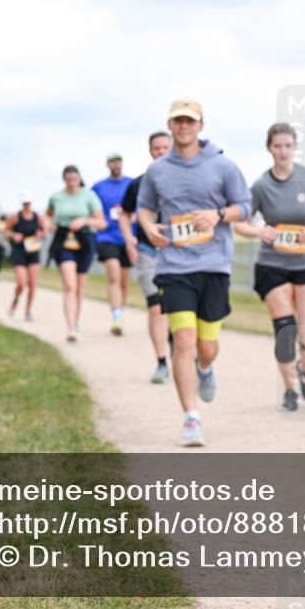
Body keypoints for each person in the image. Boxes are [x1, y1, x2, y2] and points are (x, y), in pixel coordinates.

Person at [137, 99, 251, 447]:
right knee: (183, 341)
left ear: (201, 125)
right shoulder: (157, 170)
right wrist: (150, 228)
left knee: (207, 346)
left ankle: (205, 368)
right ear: (170, 126)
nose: (183, 127)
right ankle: (191, 417)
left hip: (214, 264)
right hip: (174, 266)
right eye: (177, 121)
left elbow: (244, 207)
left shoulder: (223, 166)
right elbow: (144, 209)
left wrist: (217, 215)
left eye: (189, 121)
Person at [234, 123, 305, 412]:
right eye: (277, 146)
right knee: (285, 331)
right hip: (272, 264)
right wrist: (259, 231)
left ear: (295, 147)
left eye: (288, 146)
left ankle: (303, 369)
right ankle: (290, 388)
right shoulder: (261, 186)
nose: (283, 151)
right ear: (269, 148)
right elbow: (240, 222)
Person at [119, 131, 173, 384]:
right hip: (148, 250)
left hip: (179, 251)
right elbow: (123, 213)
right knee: (156, 307)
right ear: (150, 151)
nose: (161, 152)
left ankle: (181, 350)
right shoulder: (138, 184)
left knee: (180, 307)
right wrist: (129, 238)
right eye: (156, 148)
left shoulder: (186, 179)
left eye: (165, 147)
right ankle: (161, 361)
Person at [46, 165, 107, 342]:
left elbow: (101, 223)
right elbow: (47, 216)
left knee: (80, 287)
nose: (71, 182)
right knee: (70, 286)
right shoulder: (56, 197)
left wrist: (84, 220)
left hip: (85, 240)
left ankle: (76, 319)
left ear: (79, 179)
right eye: (68, 179)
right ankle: (70, 326)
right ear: (64, 180)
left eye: (74, 178)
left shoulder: (89, 196)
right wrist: (48, 224)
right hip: (64, 241)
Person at [92, 152, 133, 336]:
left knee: (124, 280)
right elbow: (92, 210)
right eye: (112, 162)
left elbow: (141, 208)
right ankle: (116, 315)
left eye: (118, 161)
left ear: (122, 164)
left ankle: (120, 313)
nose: (115, 165)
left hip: (127, 238)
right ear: (107, 164)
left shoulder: (131, 184)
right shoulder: (98, 188)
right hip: (106, 237)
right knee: (114, 276)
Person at [5, 193, 43, 321]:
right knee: (22, 282)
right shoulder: (15, 217)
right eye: (25, 203)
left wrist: (40, 234)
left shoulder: (38, 217)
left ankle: (28, 310)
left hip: (33, 251)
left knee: (32, 283)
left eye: (29, 203)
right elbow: (6, 230)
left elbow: (45, 230)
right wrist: (13, 235)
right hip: (19, 251)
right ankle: (15, 300)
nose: (27, 205)